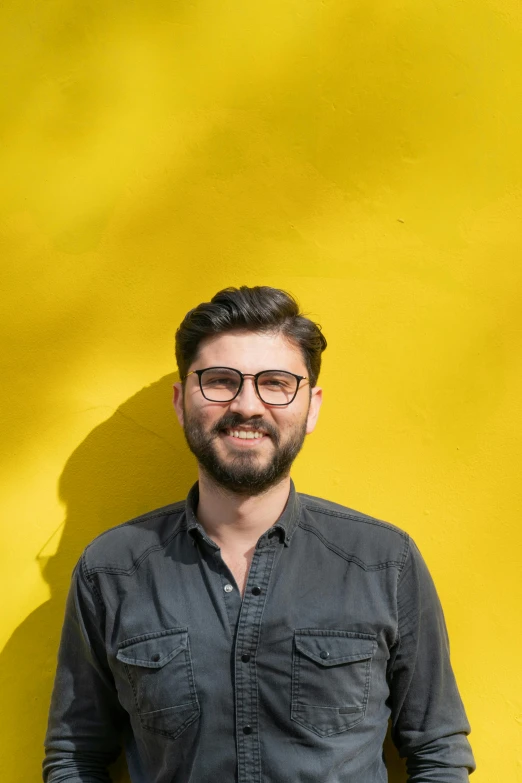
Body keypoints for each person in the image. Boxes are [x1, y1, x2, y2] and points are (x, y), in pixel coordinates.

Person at [43, 285, 475, 783]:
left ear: (310, 407)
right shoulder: (111, 570)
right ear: (182, 402)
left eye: (275, 383)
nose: (248, 405)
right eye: (221, 381)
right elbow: (75, 756)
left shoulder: (384, 561)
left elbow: (438, 752)